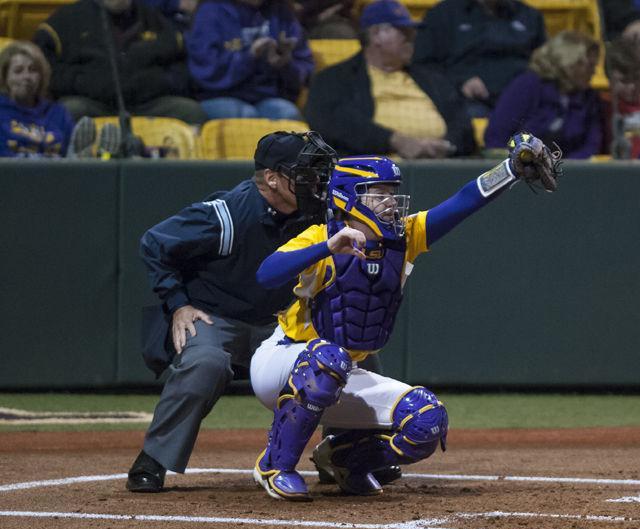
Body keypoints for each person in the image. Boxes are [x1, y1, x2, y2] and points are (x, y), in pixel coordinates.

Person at [250, 134, 561, 501]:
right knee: (328, 359)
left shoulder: (404, 237)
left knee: (427, 420)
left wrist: (508, 170)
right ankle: (275, 464)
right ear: (350, 197)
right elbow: (267, 274)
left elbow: (464, 201)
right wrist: (328, 247)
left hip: (341, 371)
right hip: (282, 361)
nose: (390, 202)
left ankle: (346, 460)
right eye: (378, 193)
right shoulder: (322, 236)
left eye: (390, 192)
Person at [126, 131, 338, 493]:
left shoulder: (316, 213)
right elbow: (154, 243)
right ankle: (154, 459)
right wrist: (178, 304)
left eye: (317, 173)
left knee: (345, 350)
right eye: (304, 174)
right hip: (216, 319)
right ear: (272, 178)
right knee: (205, 362)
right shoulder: (226, 215)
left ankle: (344, 454)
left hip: (279, 325)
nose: (316, 182)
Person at [305, 0, 475, 159]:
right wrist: (393, 140)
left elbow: (462, 124)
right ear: (376, 35)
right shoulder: (335, 78)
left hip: (439, 166)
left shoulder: (431, 78)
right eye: (404, 32)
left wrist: (445, 145)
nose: (412, 38)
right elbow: (332, 121)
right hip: (372, 168)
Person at [33, 0, 206, 125]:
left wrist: (160, 82)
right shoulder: (67, 19)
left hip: (146, 103)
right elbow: (45, 66)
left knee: (191, 112)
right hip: (92, 103)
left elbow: (181, 67)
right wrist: (81, 81)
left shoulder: (153, 19)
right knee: (68, 111)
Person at [413, 0, 546, 118]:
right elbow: (423, 65)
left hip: (522, 101)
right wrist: (459, 81)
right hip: (468, 101)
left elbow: (545, 64)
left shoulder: (529, 16)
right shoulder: (443, 14)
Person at [186, 0, 312, 120]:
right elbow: (205, 71)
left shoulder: (281, 11)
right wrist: (249, 57)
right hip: (219, 96)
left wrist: (285, 64)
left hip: (268, 96)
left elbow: (304, 68)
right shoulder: (211, 11)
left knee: (288, 114)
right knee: (245, 116)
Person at [484, 31, 602, 159]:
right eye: (589, 66)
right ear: (570, 63)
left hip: (565, 170)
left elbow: (590, 145)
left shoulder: (588, 98)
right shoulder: (528, 85)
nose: (594, 72)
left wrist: (562, 167)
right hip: (520, 167)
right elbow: (496, 136)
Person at [0, 40, 73, 157]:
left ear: (42, 76)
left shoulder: (59, 113)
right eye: (18, 71)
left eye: (33, 70)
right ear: (5, 77)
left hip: (54, 173)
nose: (26, 77)